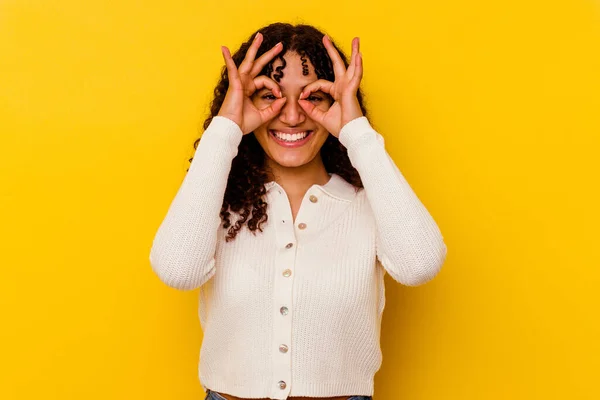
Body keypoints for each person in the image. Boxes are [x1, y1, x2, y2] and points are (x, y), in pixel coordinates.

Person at [149, 22, 447, 400]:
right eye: (267, 95)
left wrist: (357, 132)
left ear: (336, 100)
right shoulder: (216, 205)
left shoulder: (370, 203)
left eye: (313, 97)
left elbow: (420, 263)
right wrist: (226, 129)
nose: (291, 116)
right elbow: (178, 270)